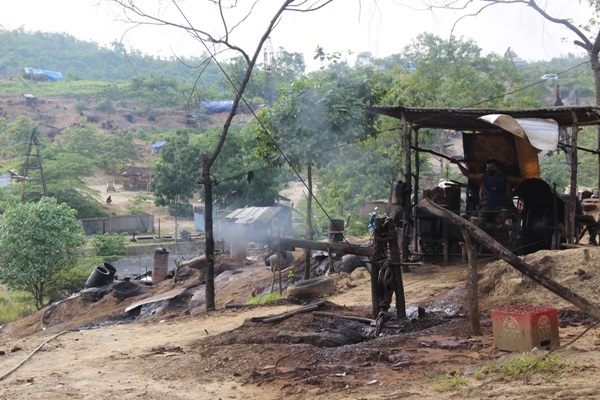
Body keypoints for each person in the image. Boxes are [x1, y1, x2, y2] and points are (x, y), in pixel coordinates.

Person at [450, 158, 523, 229]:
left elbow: (520, 180)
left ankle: (511, 239)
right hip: (487, 206)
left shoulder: (504, 178)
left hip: (501, 206)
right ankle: (487, 234)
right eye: (487, 168)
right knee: (479, 220)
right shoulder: (484, 177)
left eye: (491, 167)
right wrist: (458, 163)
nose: (489, 170)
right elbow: (468, 174)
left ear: (497, 168)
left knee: (508, 218)